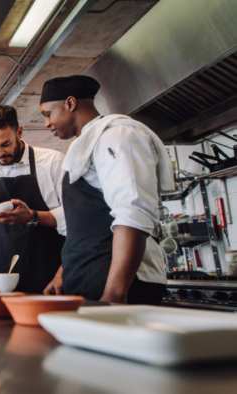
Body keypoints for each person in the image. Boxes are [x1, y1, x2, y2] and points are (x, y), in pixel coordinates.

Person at [40, 75, 174, 305]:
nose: (47, 124)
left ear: (70, 103)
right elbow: (86, 222)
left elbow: (132, 213)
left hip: (121, 284)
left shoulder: (119, 136)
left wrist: (115, 293)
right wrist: (64, 272)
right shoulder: (85, 146)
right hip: (89, 278)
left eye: (47, 114)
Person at [0, 105, 66, 294]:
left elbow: (75, 217)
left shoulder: (52, 163)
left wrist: (32, 216)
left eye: (5, 144)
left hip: (44, 271)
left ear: (20, 132)